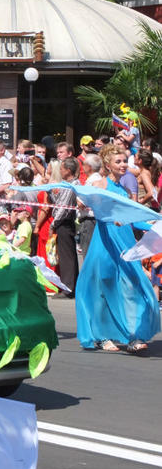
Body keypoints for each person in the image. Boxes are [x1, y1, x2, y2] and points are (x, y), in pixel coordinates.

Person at [75, 144, 159, 353]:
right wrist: (85, 203)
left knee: (135, 286)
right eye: (118, 162)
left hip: (125, 242)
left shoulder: (126, 190)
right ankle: (103, 336)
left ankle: (132, 336)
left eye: (124, 161)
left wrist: (154, 225)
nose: (123, 165)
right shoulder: (101, 185)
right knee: (104, 288)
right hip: (105, 242)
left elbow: (133, 220)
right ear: (107, 165)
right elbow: (85, 202)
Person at [50, 158, 80, 297]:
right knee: (65, 255)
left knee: (67, 256)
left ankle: (68, 288)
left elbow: (63, 207)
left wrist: (54, 223)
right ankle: (70, 286)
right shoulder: (66, 184)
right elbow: (58, 202)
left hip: (65, 222)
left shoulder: (71, 185)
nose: (60, 171)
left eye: (62, 169)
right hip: (63, 221)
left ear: (68, 170)